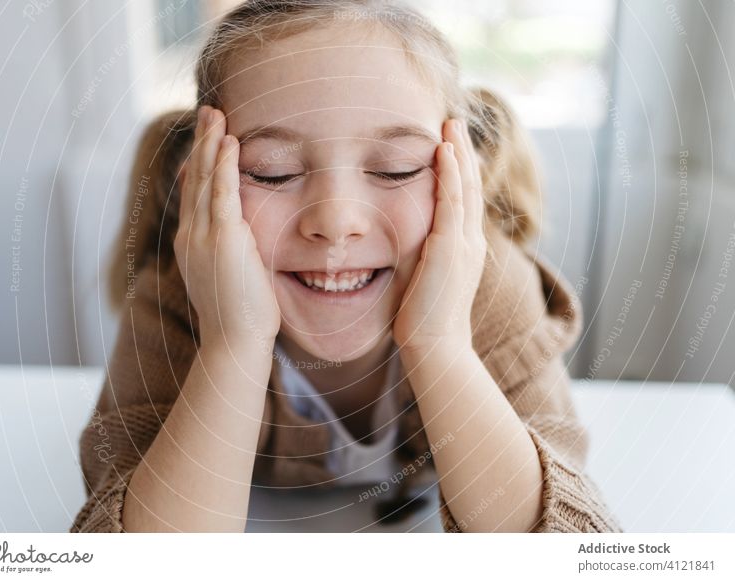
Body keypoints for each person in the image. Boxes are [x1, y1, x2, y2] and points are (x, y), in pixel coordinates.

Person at [71, 0, 623, 533]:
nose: (335, 221)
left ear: (463, 179)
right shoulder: (177, 300)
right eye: (272, 172)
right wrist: (232, 344)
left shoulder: (489, 285)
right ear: (202, 184)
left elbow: (572, 551)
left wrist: (439, 343)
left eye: (395, 169)